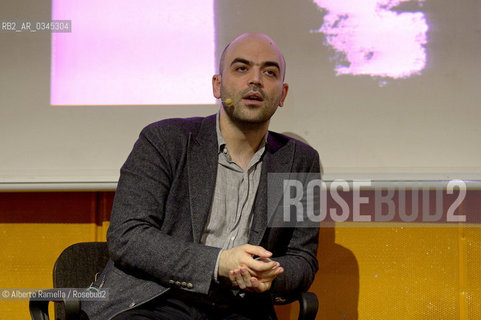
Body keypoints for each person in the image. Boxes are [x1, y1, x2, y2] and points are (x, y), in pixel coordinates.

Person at [81, 32, 320, 320]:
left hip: (241, 307)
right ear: (218, 86)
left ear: (282, 94)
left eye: (269, 72)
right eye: (241, 68)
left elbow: (301, 259)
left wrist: (271, 275)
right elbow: (128, 236)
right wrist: (219, 262)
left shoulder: (298, 162)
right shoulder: (165, 140)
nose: (255, 80)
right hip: (156, 299)